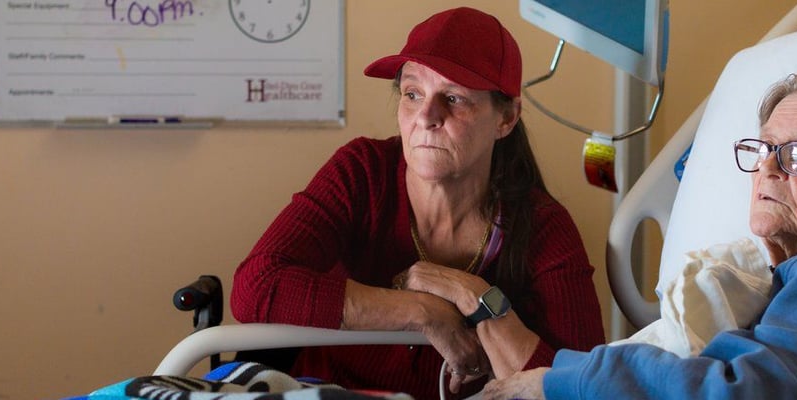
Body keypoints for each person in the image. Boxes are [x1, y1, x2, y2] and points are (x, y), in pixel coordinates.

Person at [483, 69, 797, 399]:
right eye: (763, 149)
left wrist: (559, 381)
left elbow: (738, 392)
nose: (768, 169)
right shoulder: (792, 286)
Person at [229, 7, 605, 400]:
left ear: (506, 118)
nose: (425, 116)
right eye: (412, 94)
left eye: (454, 97)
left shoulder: (543, 226)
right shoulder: (361, 173)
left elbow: (582, 385)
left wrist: (473, 296)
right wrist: (420, 312)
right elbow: (256, 285)